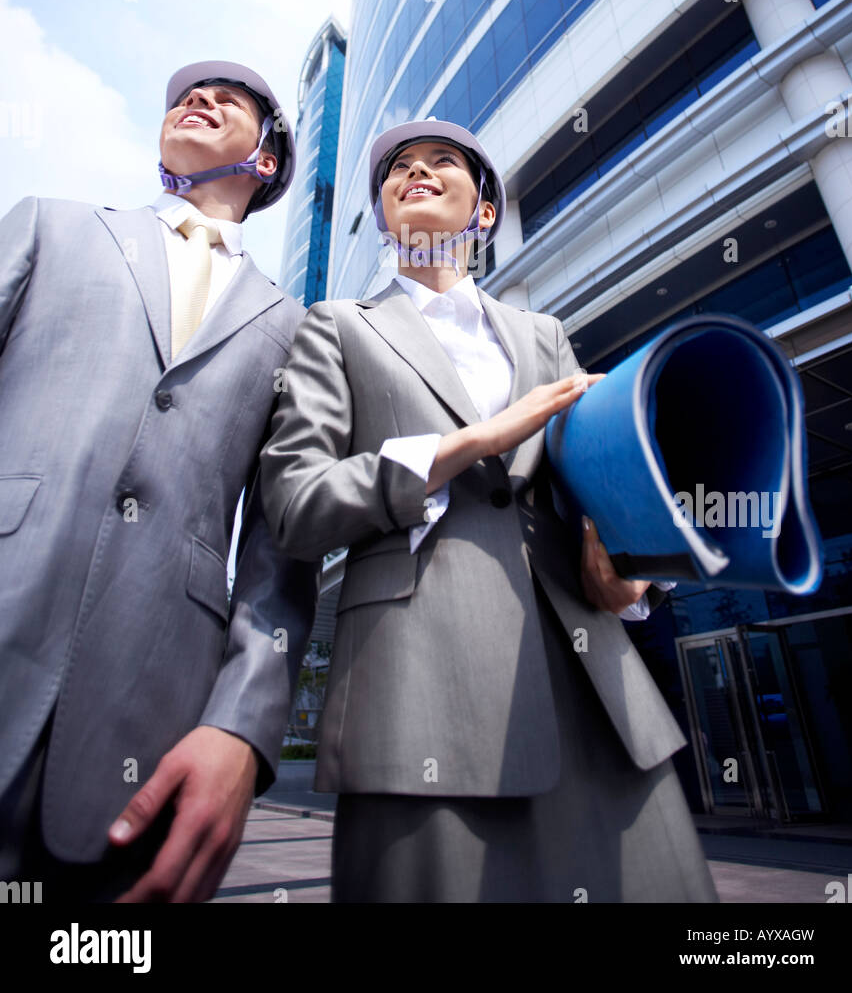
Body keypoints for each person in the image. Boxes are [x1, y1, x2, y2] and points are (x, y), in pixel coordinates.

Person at [260, 118, 717, 903]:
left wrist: (630, 577)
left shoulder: (545, 336)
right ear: (384, 217)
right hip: (419, 694)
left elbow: (598, 486)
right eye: (399, 169)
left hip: (592, 689)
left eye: (443, 162)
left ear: (485, 214)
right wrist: (466, 445)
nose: (417, 172)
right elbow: (296, 502)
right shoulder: (337, 329)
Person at [0, 61, 317, 903]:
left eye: (234, 100)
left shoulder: (295, 328)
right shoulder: (52, 227)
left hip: (147, 723)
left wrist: (242, 732)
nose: (199, 98)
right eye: (186, 93)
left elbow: (281, 554)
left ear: (267, 162)